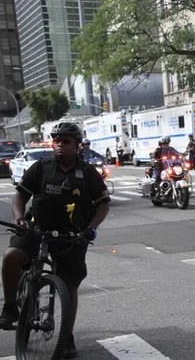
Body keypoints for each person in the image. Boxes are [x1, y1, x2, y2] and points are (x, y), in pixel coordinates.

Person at [0, 122, 110, 358]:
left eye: (66, 141)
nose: (60, 145)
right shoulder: (41, 166)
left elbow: (103, 204)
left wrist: (91, 228)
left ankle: (67, 335)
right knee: (11, 257)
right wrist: (20, 219)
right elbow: (20, 197)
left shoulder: (87, 171)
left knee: (69, 285)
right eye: (56, 140)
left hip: (71, 235)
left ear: (77, 145)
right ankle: (10, 307)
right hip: (35, 228)